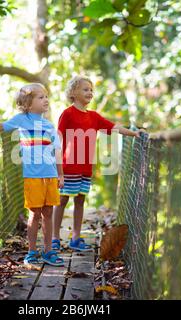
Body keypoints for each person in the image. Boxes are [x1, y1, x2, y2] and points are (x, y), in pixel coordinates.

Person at [0, 83, 65, 266]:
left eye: (46, 96)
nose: (46, 100)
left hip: (50, 175)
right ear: (28, 104)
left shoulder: (49, 125)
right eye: (40, 97)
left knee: (48, 212)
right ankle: (31, 251)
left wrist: (60, 175)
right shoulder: (22, 119)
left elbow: (57, 152)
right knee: (34, 214)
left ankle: (48, 251)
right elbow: (2, 126)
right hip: (32, 177)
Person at [52, 75, 142, 252]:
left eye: (91, 90)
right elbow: (58, 139)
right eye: (85, 89)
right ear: (73, 93)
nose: (90, 92)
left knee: (80, 201)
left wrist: (134, 134)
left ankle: (76, 238)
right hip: (69, 167)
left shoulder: (93, 116)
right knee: (61, 200)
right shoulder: (67, 114)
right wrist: (58, 170)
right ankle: (54, 237)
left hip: (86, 168)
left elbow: (113, 127)